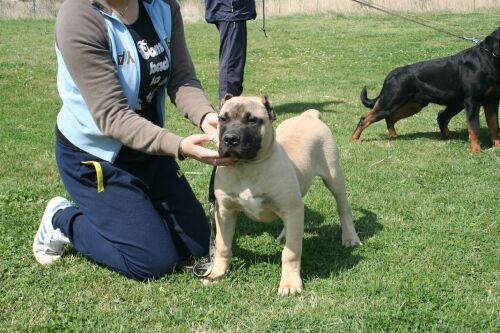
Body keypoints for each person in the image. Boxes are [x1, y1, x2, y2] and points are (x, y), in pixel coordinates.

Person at [32, 0, 234, 281]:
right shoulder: (78, 16)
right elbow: (112, 115)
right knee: (152, 262)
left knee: (199, 244)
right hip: (96, 157)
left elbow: (181, 77)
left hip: (147, 148)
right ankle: (62, 219)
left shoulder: (163, 6)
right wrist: (177, 146)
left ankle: (138, 211)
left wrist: (205, 116)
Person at [204, 0, 256, 105]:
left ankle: (230, 104)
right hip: (231, 9)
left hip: (230, 9)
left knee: (234, 61)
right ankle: (228, 107)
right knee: (231, 62)